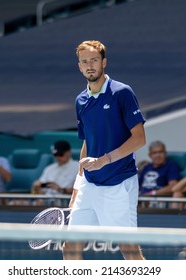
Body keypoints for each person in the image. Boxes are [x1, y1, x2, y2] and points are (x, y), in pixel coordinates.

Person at [62, 40, 146, 260]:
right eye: (84, 62)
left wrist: (105, 160)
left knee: (129, 251)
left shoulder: (122, 93)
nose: (90, 65)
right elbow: (87, 144)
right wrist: (77, 189)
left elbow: (139, 139)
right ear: (79, 66)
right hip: (89, 184)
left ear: (104, 62)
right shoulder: (80, 100)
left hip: (118, 183)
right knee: (69, 248)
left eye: (94, 60)